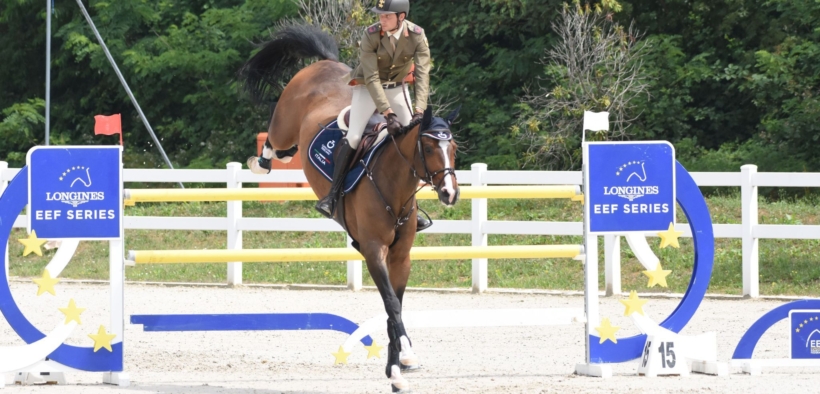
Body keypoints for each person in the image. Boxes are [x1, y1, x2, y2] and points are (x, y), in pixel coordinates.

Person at [315, 0, 433, 231]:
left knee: (412, 141)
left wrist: (419, 109)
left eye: (386, 16)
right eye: (379, 15)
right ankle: (332, 196)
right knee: (355, 136)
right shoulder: (371, 34)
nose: (381, 19)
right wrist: (387, 112)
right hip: (367, 88)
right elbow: (372, 77)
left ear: (401, 17)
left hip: (397, 88)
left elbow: (422, 73)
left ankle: (412, 208)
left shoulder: (417, 35)